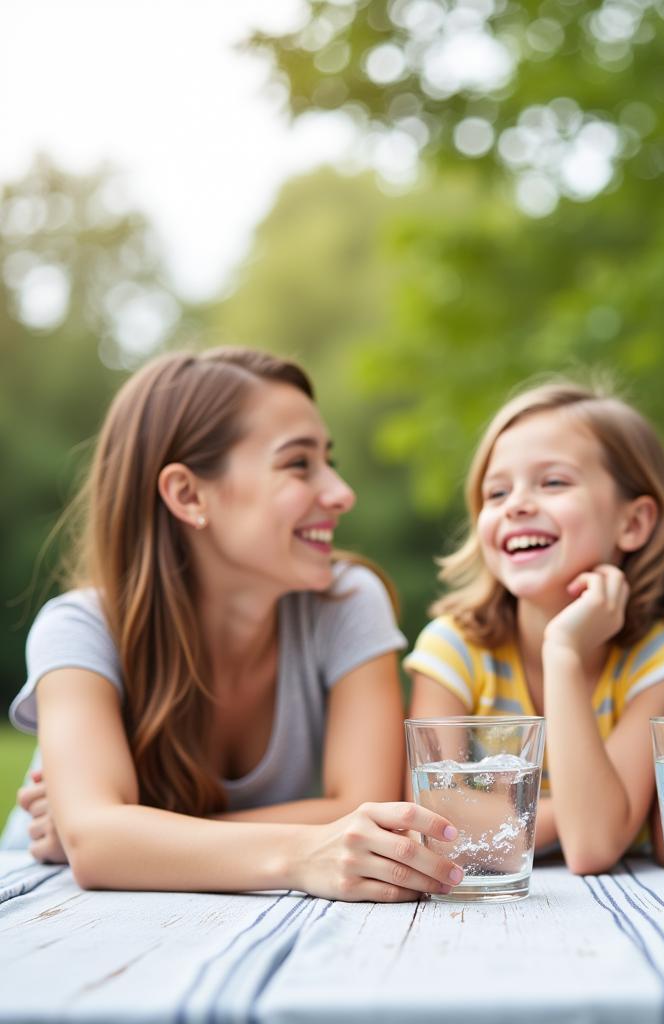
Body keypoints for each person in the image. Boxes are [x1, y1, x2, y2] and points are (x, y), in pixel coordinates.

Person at [5, 348, 463, 902]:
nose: (342, 494)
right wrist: (300, 850)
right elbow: (97, 847)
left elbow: (367, 807)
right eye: (299, 464)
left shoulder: (347, 603)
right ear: (188, 494)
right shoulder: (78, 630)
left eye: (328, 460)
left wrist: (138, 830)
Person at [405, 380, 664, 873]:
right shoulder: (452, 648)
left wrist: (561, 649)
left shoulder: (658, 658)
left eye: (553, 482)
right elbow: (431, 826)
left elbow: (593, 847)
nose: (516, 504)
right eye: (496, 492)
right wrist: (582, 810)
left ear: (634, 523)